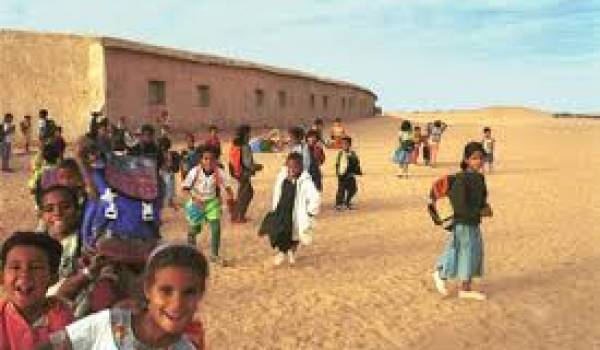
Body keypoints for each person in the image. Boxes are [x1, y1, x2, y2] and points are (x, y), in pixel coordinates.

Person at [44, 244, 208, 349]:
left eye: (189, 292)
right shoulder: (108, 324)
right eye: (166, 291)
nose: (177, 303)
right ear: (148, 289)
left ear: (200, 295)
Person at [432, 142, 493, 301]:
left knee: (472, 254)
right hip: (463, 222)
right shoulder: (461, 179)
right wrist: (479, 211)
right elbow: (460, 205)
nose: (478, 161)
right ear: (466, 160)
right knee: (458, 251)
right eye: (474, 158)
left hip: (474, 223)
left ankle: (465, 288)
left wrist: (485, 207)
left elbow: (481, 198)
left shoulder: (479, 178)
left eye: (481, 158)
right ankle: (440, 273)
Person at [0, 232, 74, 349]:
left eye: (36, 267)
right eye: (15, 267)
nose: (25, 274)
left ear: (53, 278)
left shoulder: (65, 317)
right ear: (2, 277)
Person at [182, 146, 234, 263]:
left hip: (212, 202)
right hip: (196, 202)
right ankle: (192, 253)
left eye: (211, 159)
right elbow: (185, 189)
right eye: (205, 159)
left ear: (216, 160)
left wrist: (230, 197)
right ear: (201, 160)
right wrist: (194, 199)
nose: (208, 161)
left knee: (216, 227)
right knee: (194, 230)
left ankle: (214, 255)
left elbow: (228, 187)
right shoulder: (194, 171)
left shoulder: (219, 172)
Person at [270, 152, 321, 266]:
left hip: (296, 213)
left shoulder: (305, 181)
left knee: (296, 235)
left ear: (301, 167)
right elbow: (277, 192)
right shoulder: (282, 177)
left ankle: (291, 252)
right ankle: (282, 252)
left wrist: (311, 211)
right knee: (280, 232)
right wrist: (274, 207)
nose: (292, 169)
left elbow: (315, 197)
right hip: (282, 211)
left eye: (296, 167)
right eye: (290, 166)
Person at [231, 125, 262, 223]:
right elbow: (247, 163)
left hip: (237, 172)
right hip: (243, 173)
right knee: (245, 194)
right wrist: (257, 167)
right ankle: (239, 216)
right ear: (245, 134)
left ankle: (238, 215)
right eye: (248, 133)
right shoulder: (245, 146)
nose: (249, 135)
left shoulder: (236, 145)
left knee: (244, 193)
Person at [335, 136, 362, 210]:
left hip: (350, 175)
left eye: (346, 144)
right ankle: (339, 204)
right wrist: (338, 173)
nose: (344, 145)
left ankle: (347, 201)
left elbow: (356, 162)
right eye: (342, 144)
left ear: (349, 145)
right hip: (342, 175)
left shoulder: (352, 153)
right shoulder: (340, 153)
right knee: (341, 190)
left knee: (353, 189)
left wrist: (356, 171)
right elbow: (338, 164)